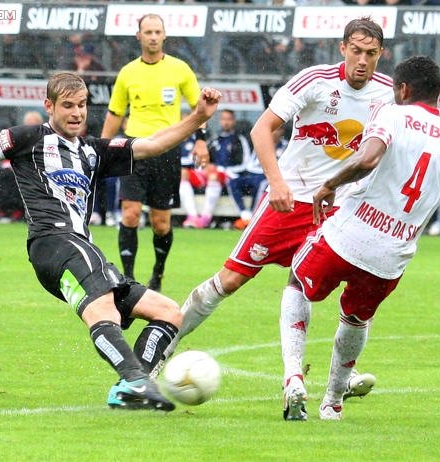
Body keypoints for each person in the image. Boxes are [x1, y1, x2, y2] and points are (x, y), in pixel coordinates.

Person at [0, 71, 222, 412]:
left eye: (82, 105)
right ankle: (134, 380)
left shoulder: (95, 150)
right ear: (49, 105)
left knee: (168, 312)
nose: (77, 113)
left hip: (78, 248)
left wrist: (197, 117)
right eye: (68, 106)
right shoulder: (26, 138)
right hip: (54, 240)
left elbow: (154, 143)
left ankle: (132, 382)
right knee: (104, 308)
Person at [158, 17, 395, 421]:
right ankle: (158, 351)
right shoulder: (314, 80)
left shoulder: (390, 94)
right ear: (342, 49)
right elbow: (263, 129)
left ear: (380, 55)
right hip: (291, 199)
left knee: (318, 287)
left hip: (342, 210)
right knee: (228, 280)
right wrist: (277, 182)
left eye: (371, 53)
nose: (362, 60)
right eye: (356, 50)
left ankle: (307, 384)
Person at [297, 56, 440, 421]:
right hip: (391, 256)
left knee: (295, 282)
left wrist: (329, 184)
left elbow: (367, 159)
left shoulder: (391, 113)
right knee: (357, 318)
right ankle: (332, 402)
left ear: (403, 89)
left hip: (351, 233)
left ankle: (292, 379)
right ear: (438, 94)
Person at [101, 14, 209, 293]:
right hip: (134, 149)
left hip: (166, 152)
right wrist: (100, 147)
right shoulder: (127, 73)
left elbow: (201, 108)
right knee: (130, 215)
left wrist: (201, 140)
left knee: (160, 223)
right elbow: (116, 113)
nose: (152, 36)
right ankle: (127, 279)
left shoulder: (180, 69)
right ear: (139, 36)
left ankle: (157, 274)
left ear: (164, 36)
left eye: (157, 31)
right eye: (147, 31)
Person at [181, 109, 251, 229]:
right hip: (210, 173)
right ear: (220, 121)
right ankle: (192, 216)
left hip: (229, 175)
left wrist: (219, 168)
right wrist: (205, 166)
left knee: (214, 176)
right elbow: (201, 156)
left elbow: (245, 165)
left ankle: (206, 217)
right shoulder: (214, 139)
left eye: (229, 119)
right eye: (223, 119)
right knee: (183, 173)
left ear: (234, 121)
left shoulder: (240, 140)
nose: (226, 122)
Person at [227, 124, 287, 230]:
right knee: (233, 182)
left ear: (281, 131)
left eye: (277, 130)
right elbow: (250, 165)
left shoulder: (285, 146)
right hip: (254, 174)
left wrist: (267, 169)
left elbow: (283, 166)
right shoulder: (262, 145)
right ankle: (245, 214)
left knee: (262, 184)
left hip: (268, 177)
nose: (274, 133)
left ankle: (254, 217)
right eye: (272, 130)